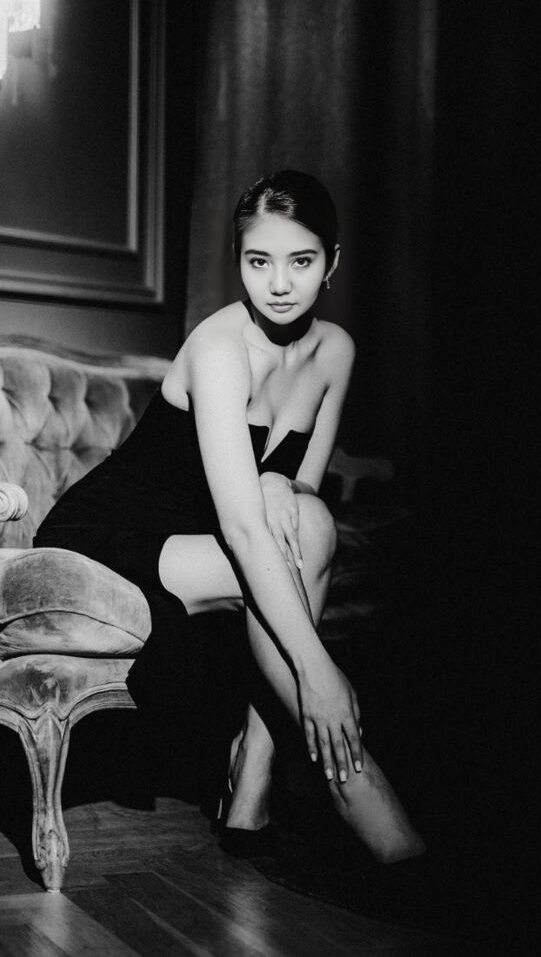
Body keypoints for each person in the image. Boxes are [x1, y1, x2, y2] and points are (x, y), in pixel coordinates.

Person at [34, 170, 426, 883]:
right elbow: (245, 534)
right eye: (258, 261)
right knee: (280, 564)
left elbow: (300, 493)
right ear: (237, 262)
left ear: (331, 263)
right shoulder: (220, 347)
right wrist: (321, 674)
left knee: (312, 525)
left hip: (207, 536)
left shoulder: (335, 351)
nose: (278, 284)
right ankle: (351, 779)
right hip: (112, 532)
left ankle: (252, 784)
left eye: (300, 261)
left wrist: (282, 481)